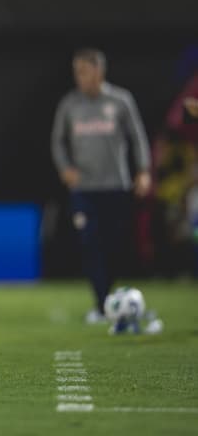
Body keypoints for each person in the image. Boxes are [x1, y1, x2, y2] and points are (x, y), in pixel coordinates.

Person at [51, 48, 151, 323]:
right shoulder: (70, 104)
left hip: (116, 186)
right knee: (90, 244)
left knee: (113, 245)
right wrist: (65, 168)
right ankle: (102, 304)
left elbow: (137, 136)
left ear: (98, 71)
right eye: (76, 72)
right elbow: (57, 141)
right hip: (84, 189)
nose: (79, 77)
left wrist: (142, 170)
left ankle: (108, 300)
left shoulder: (120, 100)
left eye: (84, 71)